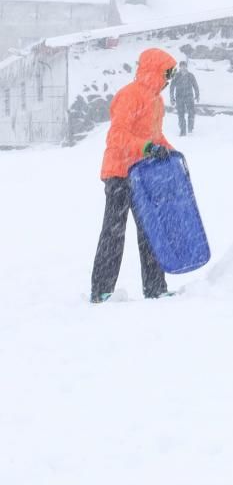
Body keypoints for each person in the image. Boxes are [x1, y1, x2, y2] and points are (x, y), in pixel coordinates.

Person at [90, 47, 177, 304]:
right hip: (119, 172)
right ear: (154, 71)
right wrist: (147, 148)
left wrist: (171, 153)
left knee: (151, 231)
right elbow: (116, 135)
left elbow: (155, 137)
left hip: (143, 174)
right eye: (166, 73)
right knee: (113, 233)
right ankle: (101, 290)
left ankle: (155, 287)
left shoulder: (157, 101)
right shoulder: (129, 96)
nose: (168, 80)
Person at [169, 60, 199, 136]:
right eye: (181, 66)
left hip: (189, 97)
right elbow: (172, 87)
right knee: (180, 114)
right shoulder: (176, 76)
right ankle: (183, 130)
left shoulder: (190, 75)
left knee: (191, 113)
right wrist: (172, 98)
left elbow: (195, 86)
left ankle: (190, 128)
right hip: (179, 98)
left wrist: (197, 95)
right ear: (180, 67)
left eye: (184, 66)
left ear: (186, 67)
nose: (183, 67)